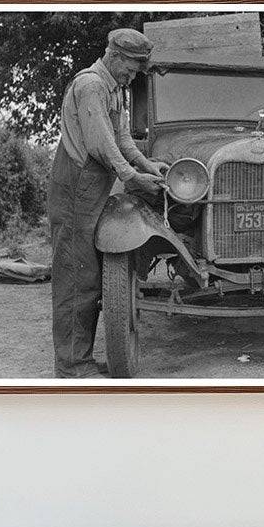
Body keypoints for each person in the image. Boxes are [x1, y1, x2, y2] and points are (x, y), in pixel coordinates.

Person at [47, 28, 169, 378]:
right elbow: (101, 144)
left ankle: (78, 359)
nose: (133, 76)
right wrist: (132, 177)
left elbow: (122, 138)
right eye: (131, 68)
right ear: (114, 57)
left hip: (91, 188)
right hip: (75, 188)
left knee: (88, 273)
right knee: (76, 277)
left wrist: (147, 165)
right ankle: (72, 367)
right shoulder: (91, 85)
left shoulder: (114, 88)